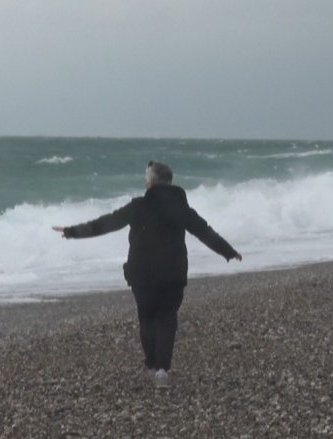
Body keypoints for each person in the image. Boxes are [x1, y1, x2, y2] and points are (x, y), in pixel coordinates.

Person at [53, 160, 242, 388]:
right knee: (167, 318)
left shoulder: (138, 206)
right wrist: (228, 251)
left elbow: (107, 223)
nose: (145, 182)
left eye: (146, 178)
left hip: (142, 272)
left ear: (151, 183)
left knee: (147, 317)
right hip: (173, 272)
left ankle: (153, 364)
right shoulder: (181, 208)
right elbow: (204, 232)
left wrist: (72, 232)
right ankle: (162, 369)